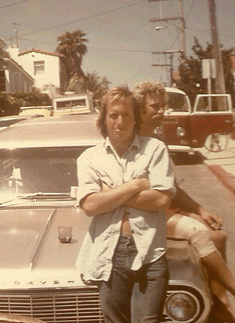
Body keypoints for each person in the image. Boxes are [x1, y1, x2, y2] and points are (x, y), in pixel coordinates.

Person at [134, 80, 235, 323]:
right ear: (139, 110)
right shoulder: (135, 143)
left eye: (163, 106)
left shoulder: (158, 141)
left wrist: (201, 209)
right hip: (150, 213)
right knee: (203, 234)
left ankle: (220, 302)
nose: (162, 111)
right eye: (155, 106)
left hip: (168, 208)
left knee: (218, 234)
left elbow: (174, 189)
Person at [76, 85, 176, 323]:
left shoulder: (155, 149)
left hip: (150, 251)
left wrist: (109, 195)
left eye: (126, 115)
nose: (119, 122)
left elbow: (162, 199)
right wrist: (135, 185)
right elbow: (90, 206)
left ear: (135, 119)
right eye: (113, 115)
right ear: (103, 119)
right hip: (110, 253)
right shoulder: (89, 158)